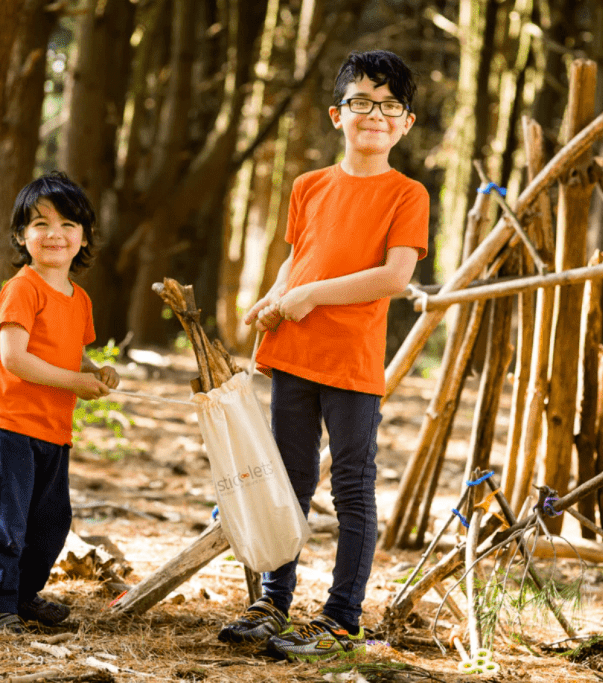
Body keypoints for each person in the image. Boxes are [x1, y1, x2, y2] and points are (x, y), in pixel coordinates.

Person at [217, 49, 429, 661]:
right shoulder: (308, 185)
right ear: (339, 114)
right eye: (362, 102)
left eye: (390, 106)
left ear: (405, 123)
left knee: (352, 487)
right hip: (293, 352)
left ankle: (341, 617)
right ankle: (272, 601)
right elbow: (298, 258)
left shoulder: (407, 194)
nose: (375, 115)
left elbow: (393, 277)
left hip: (353, 362)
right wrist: (275, 297)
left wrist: (308, 295)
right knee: (287, 478)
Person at [0, 172, 119, 633]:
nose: (55, 234)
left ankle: (21, 596)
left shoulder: (80, 299)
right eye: (40, 224)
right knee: (6, 522)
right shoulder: (23, 287)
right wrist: (75, 381)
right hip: (11, 427)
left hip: (54, 431)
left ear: (84, 236)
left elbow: (68, 347)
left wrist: (93, 370)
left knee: (51, 524)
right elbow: (15, 358)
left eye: (68, 224)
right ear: (21, 235)